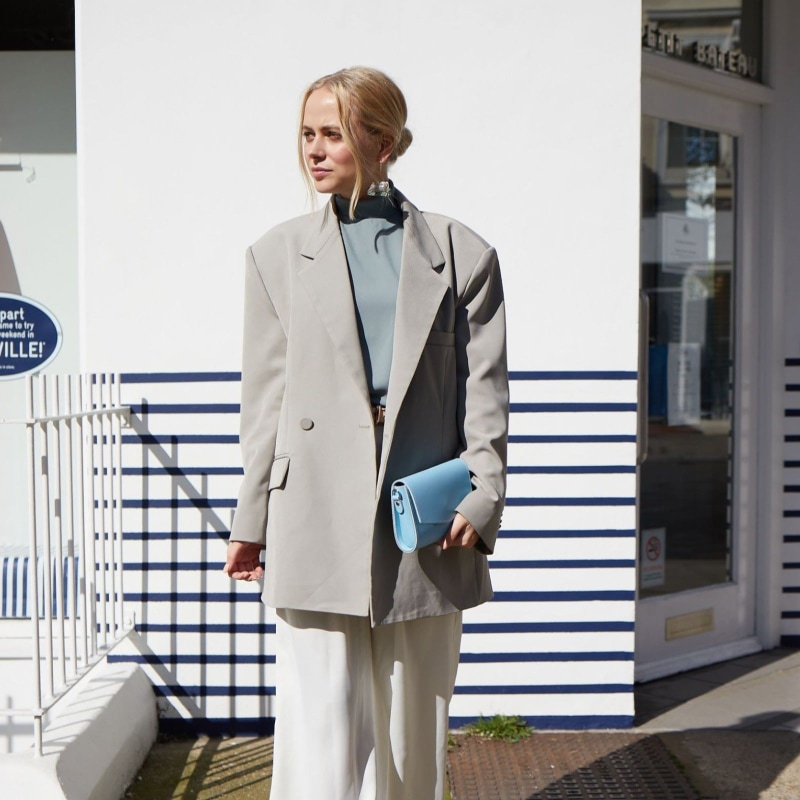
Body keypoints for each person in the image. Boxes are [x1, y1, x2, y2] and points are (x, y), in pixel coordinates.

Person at [224, 66, 508, 800]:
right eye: (306, 135)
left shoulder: (461, 252)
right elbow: (266, 403)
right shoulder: (275, 255)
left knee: (414, 734)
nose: (313, 151)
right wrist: (250, 520)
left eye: (332, 134)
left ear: (382, 141)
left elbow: (486, 395)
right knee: (321, 731)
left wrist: (483, 501)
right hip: (314, 508)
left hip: (425, 517)